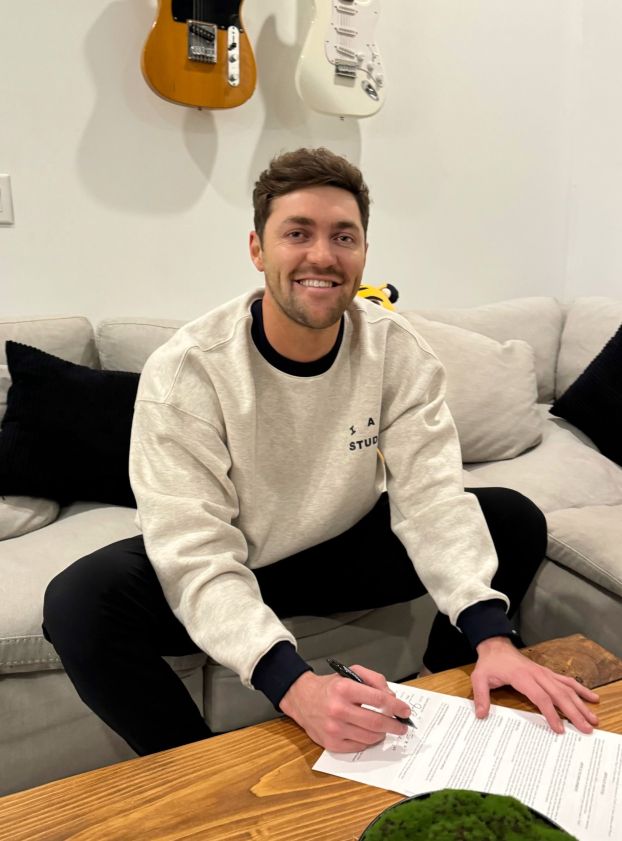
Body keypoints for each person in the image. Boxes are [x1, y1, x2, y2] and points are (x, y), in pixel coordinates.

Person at [43, 147, 599, 757]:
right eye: (297, 233)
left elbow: (432, 496)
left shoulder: (395, 350)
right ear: (257, 250)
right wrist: (296, 687)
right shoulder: (188, 371)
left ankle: (443, 695)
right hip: (238, 554)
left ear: (363, 252)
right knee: (81, 601)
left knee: (511, 517)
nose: (323, 255)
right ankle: (198, 770)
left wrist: (493, 638)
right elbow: (194, 551)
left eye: (343, 236)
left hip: (337, 546)